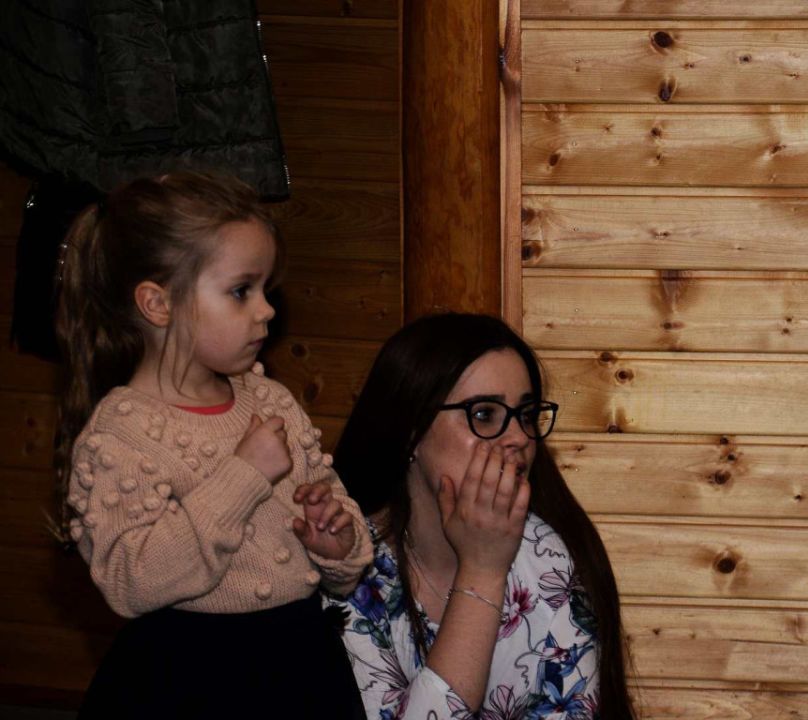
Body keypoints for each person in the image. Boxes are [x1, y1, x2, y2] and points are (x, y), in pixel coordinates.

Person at [54, 172, 373, 718]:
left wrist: (336, 544)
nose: (266, 310)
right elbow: (131, 580)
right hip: (188, 678)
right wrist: (243, 476)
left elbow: (331, 501)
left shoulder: (270, 398)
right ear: (158, 304)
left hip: (300, 663)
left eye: (266, 290)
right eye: (241, 291)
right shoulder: (120, 434)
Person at [327, 313, 637, 719]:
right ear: (411, 431)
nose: (519, 438)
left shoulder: (548, 557)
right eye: (484, 414)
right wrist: (482, 571)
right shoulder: (346, 567)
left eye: (526, 415)